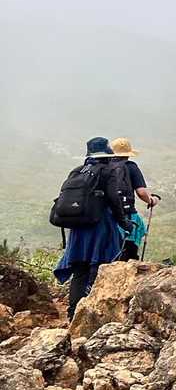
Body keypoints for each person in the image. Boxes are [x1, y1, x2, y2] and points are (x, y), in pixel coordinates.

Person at [53, 137, 132, 319]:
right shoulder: (107, 171)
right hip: (100, 227)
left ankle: (73, 313)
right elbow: (114, 200)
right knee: (100, 266)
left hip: (78, 230)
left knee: (80, 270)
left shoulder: (77, 171)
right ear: (107, 154)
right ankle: (95, 313)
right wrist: (124, 222)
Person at [110, 137, 160, 260]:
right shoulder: (131, 167)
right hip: (126, 213)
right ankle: (129, 261)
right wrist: (152, 200)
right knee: (135, 233)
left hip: (107, 214)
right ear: (128, 153)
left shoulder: (105, 166)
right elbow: (141, 192)